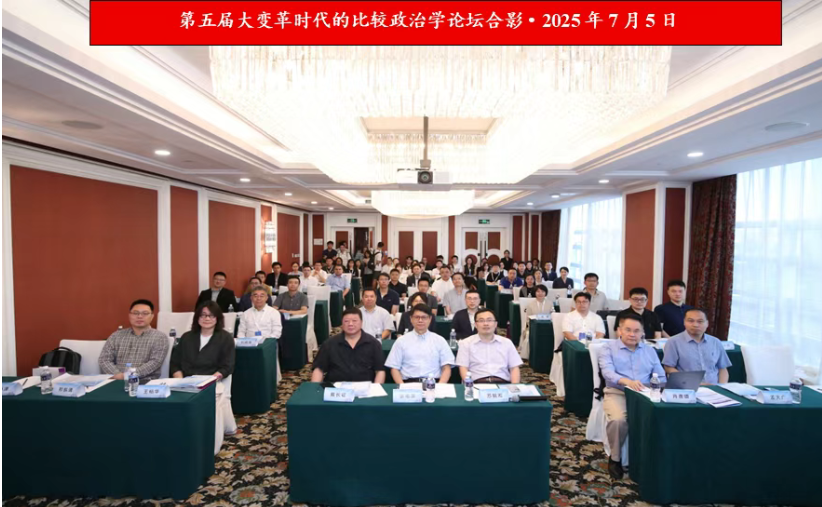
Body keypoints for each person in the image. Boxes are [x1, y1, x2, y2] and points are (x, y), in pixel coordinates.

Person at [599, 313, 667, 479]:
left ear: (643, 333)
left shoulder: (649, 351)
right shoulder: (608, 348)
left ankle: (655, 458)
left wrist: (655, 385)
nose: (632, 334)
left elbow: (661, 376)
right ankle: (615, 458)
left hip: (646, 393)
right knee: (618, 420)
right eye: (628, 330)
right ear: (619, 330)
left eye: (637, 331)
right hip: (618, 392)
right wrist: (627, 382)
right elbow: (608, 373)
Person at [98, 299, 169, 382]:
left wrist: (128, 375)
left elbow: (155, 362)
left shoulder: (160, 337)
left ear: (152, 316)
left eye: (145, 313)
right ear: (129, 315)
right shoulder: (116, 336)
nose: (140, 316)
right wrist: (118, 375)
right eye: (135, 313)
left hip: (145, 381)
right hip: (116, 380)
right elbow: (104, 359)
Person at [310, 308, 385, 383]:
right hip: (336, 387)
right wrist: (314, 387)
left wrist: (376, 388)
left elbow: (380, 371)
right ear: (342, 324)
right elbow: (319, 369)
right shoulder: (329, 343)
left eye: (354, 321)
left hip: (365, 387)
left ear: (361, 323)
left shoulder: (373, 343)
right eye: (346, 321)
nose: (350, 324)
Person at [385, 304, 455, 384]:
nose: (420, 320)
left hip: (433, 384)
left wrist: (440, 386)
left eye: (424, 317)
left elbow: (446, 367)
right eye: (417, 317)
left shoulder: (439, 340)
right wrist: (402, 386)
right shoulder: (401, 341)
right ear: (411, 319)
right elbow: (394, 368)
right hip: (408, 384)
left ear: (430, 319)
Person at [662, 308, 731, 384]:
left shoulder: (715, 342)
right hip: (687, 386)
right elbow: (668, 368)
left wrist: (721, 386)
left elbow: (722, 368)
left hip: (714, 386)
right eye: (691, 321)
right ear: (684, 322)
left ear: (707, 324)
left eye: (700, 321)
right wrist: (694, 383)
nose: (695, 325)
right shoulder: (673, 342)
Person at [170, 301, 235, 379]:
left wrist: (210, 381)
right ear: (197, 317)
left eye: (211, 315)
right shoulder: (186, 337)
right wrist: (179, 380)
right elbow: (175, 364)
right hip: (185, 381)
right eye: (203, 315)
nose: (207, 318)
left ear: (217, 318)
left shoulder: (226, 338)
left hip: (211, 381)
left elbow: (227, 367)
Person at [456, 308, 522, 383]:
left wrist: (514, 386)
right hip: (477, 383)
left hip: (502, 383)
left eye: (489, 320)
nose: (486, 324)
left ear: (496, 324)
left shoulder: (507, 343)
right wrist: (469, 386)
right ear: (476, 325)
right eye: (481, 321)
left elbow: (514, 368)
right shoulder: (466, 343)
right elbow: (463, 368)